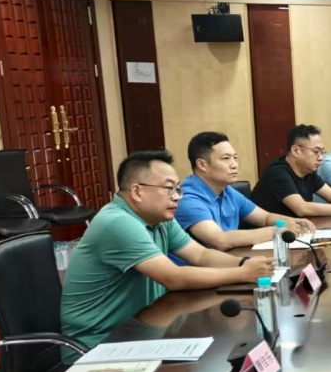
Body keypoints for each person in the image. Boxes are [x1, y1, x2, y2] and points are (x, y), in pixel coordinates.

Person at [61, 150, 273, 350]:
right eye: (169, 189)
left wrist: (246, 264)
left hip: (145, 327)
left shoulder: (160, 219)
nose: (177, 196)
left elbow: (200, 255)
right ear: (137, 191)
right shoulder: (118, 223)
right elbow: (174, 278)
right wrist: (243, 273)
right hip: (100, 344)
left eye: (178, 189)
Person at [176, 131, 315, 252]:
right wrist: (280, 230)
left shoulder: (227, 191)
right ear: (202, 165)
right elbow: (220, 240)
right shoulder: (188, 199)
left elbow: (265, 218)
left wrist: (294, 222)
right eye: (226, 158)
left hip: (228, 261)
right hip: (198, 270)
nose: (234, 165)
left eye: (235, 158)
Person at [251, 124, 331, 218]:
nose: (321, 157)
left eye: (322, 152)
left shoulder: (308, 172)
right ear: (296, 151)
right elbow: (302, 208)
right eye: (316, 152)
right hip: (267, 235)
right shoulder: (277, 173)